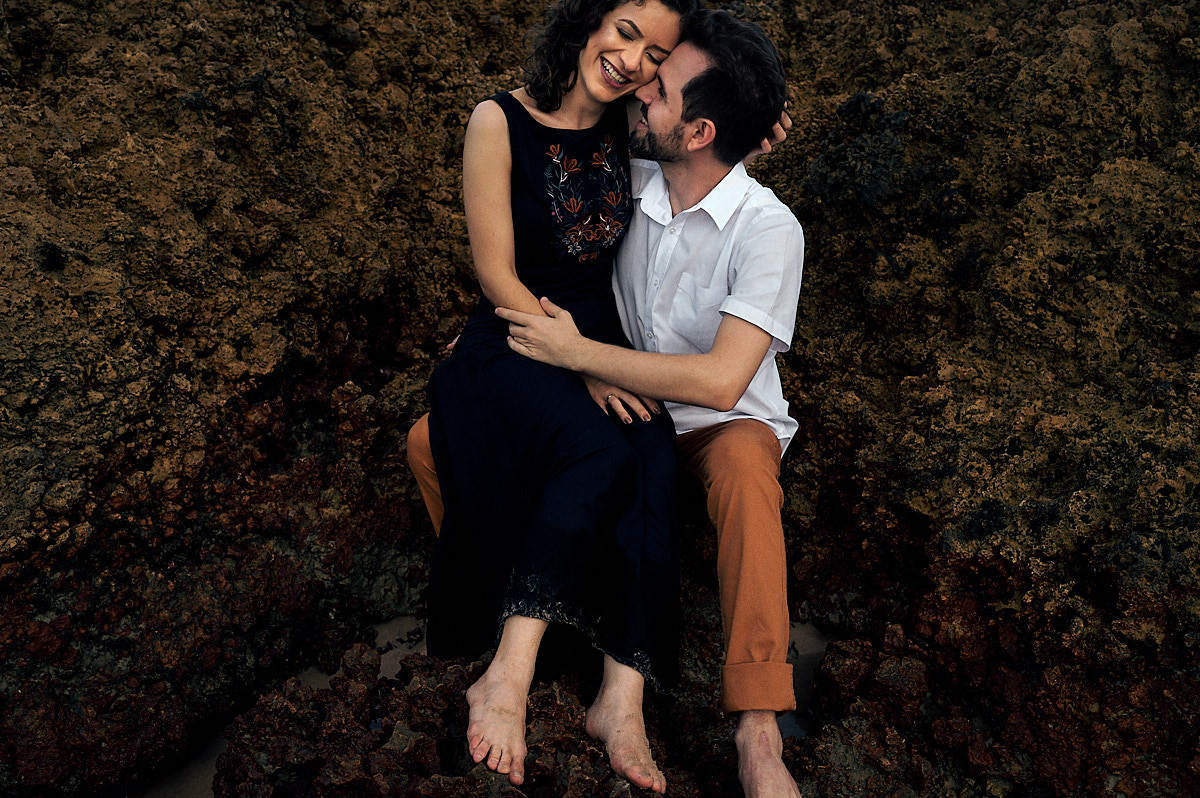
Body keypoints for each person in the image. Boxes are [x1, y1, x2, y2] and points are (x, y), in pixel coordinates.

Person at [490, 10, 806, 797]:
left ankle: (759, 728)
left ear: (698, 132)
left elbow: (722, 382)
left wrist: (580, 356)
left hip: (717, 422)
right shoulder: (627, 178)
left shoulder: (769, 230)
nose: (640, 90)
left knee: (746, 478)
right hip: (619, 407)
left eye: (659, 89)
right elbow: (539, 210)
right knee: (435, 442)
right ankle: (524, 617)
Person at [409, 0, 698, 792]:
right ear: (589, 21)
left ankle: (621, 700)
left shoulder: (631, 129)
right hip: (512, 338)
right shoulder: (497, 121)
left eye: (655, 54)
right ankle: (507, 674)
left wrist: (760, 115)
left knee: (653, 450)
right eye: (626, 33)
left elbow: (709, 128)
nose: (633, 61)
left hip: (595, 340)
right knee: (597, 449)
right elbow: (496, 275)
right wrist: (581, 364)